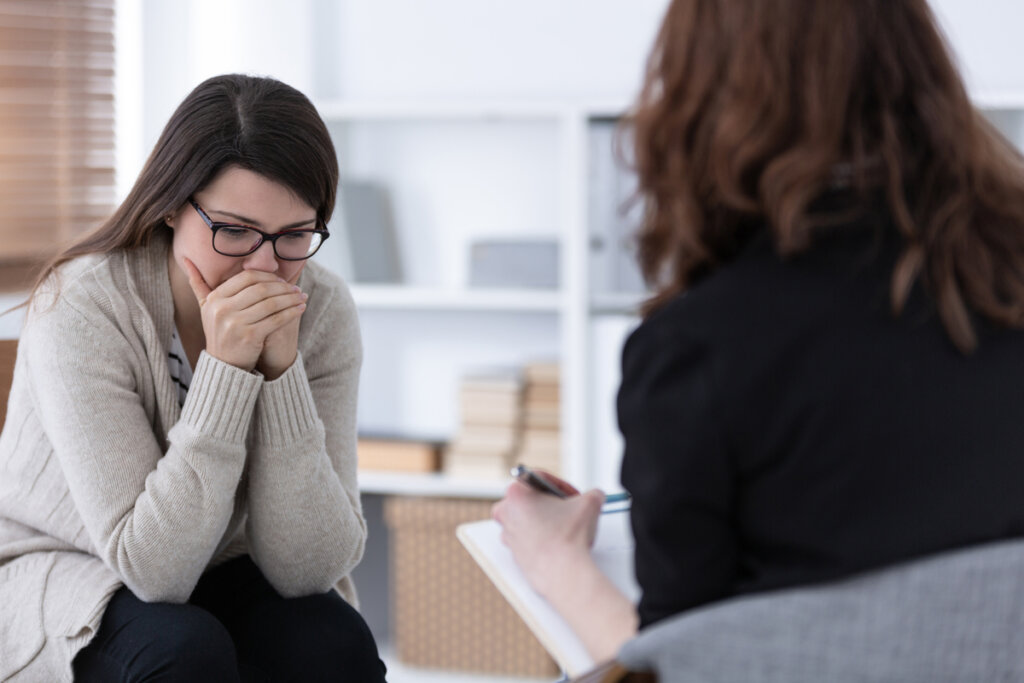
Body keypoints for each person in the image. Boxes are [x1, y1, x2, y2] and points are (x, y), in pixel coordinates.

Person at [493, 0, 1024, 665]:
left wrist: (555, 560)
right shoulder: (1004, 294)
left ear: (700, 95)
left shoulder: (699, 352)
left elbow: (682, 666)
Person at [0, 74, 387, 682]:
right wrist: (229, 372)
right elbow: (151, 568)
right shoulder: (83, 304)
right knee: (181, 650)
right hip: (66, 561)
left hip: (217, 560)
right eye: (233, 230)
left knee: (333, 642)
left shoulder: (324, 309)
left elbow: (311, 569)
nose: (264, 267)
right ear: (172, 205)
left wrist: (280, 372)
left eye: (293, 237)